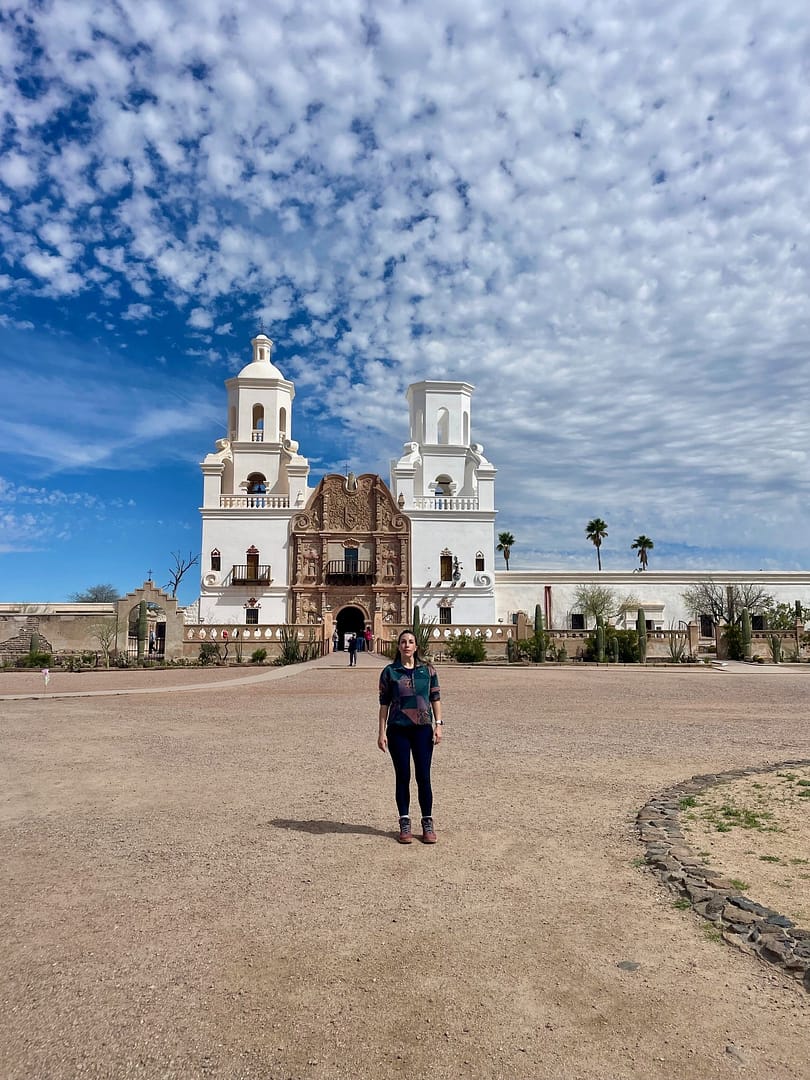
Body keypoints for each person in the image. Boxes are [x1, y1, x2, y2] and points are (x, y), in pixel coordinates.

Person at [377, 629, 443, 844]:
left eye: (411, 642)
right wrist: (381, 732)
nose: (407, 645)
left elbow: (435, 698)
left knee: (423, 776)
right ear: (398, 646)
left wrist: (439, 725)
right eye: (403, 642)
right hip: (397, 728)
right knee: (403, 776)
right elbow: (383, 704)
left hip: (423, 728)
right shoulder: (390, 672)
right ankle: (404, 821)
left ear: (416, 647)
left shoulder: (428, 671)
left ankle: (427, 821)